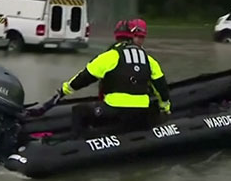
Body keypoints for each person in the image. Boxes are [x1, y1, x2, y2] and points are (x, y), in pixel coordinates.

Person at [27, 19, 171, 137]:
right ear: (131, 36)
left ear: (116, 36)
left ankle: (78, 142)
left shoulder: (110, 56)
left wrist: (63, 91)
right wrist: (165, 109)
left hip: (116, 110)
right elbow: (162, 88)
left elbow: (84, 78)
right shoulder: (148, 59)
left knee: (80, 111)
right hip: (141, 112)